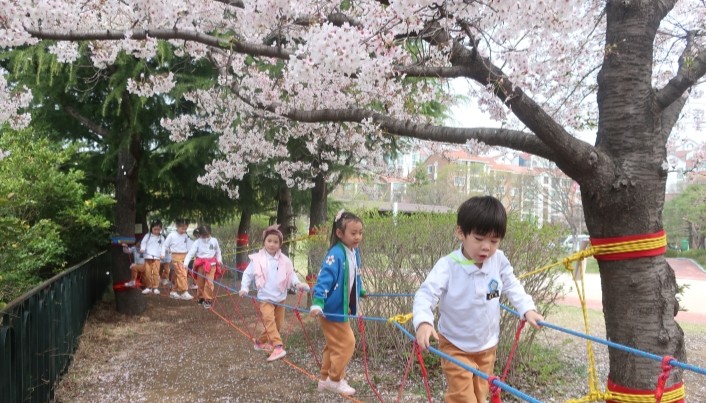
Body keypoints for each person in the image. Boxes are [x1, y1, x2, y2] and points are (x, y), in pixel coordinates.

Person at [413, 196, 544, 403]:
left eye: (494, 241)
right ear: (460, 233)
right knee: (463, 398)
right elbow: (425, 294)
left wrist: (527, 308)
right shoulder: (448, 265)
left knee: (480, 396)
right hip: (455, 344)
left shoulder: (498, 260)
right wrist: (423, 322)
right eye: (479, 238)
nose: (486, 247)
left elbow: (512, 285)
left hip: (487, 345)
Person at [309, 210, 365, 396]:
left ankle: (325, 379)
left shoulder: (354, 252)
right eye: (353, 233)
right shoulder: (335, 254)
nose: (358, 237)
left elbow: (355, 275)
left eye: (360, 233)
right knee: (347, 343)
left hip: (341, 308)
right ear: (340, 233)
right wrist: (318, 302)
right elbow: (324, 279)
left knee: (333, 345)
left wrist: (359, 291)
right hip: (331, 309)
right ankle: (335, 379)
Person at [239, 224, 310, 362]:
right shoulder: (257, 259)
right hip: (265, 298)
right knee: (269, 321)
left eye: (275, 242)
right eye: (269, 241)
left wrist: (297, 284)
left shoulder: (285, 260)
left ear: (280, 244)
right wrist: (244, 288)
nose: (272, 244)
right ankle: (277, 346)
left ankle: (260, 343)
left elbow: (291, 275)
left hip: (280, 298)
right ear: (264, 242)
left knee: (277, 324)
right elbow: (247, 274)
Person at [184, 224, 223, 309]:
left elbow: (218, 251)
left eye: (207, 235)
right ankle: (201, 297)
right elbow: (191, 253)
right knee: (200, 283)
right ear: (200, 234)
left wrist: (219, 260)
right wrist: (186, 263)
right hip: (200, 265)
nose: (206, 237)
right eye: (204, 235)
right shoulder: (197, 242)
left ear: (210, 233)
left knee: (209, 283)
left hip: (211, 265)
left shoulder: (214, 241)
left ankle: (208, 299)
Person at [162, 219, 194, 300]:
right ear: (177, 226)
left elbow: (189, 245)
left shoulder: (185, 235)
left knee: (178, 275)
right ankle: (184, 292)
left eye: (185, 229)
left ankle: (173, 291)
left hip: (185, 257)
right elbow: (165, 245)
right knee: (182, 274)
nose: (184, 230)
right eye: (182, 228)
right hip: (176, 257)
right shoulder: (171, 235)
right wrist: (167, 251)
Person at [140, 220, 165, 295]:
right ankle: (148, 287)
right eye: (155, 229)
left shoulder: (161, 237)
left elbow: (163, 246)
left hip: (157, 257)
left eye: (158, 229)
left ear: (160, 229)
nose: (156, 231)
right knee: (147, 272)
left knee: (156, 273)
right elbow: (143, 243)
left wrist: (162, 254)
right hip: (148, 257)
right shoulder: (147, 236)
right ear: (151, 228)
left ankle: (155, 287)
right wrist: (142, 248)